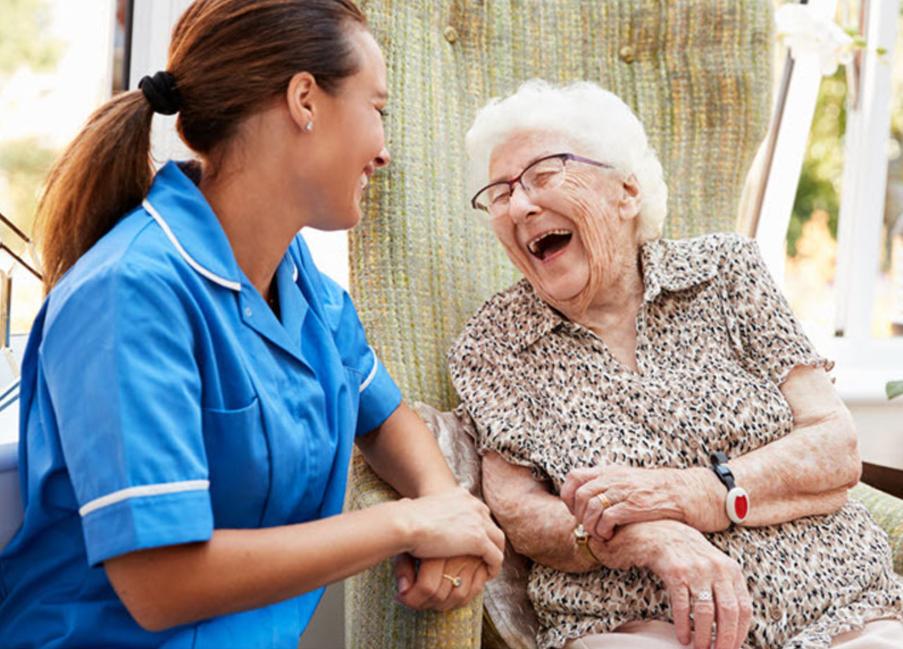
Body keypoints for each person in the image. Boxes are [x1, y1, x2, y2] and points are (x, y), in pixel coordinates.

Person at [0, 1, 505, 647]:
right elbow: (161, 584)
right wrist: (409, 524)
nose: (383, 150)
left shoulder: (294, 277)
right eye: (376, 109)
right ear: (304, 100)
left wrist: (447, 507)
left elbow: (379, 412)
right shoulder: (129, 292)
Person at [448, 79, 903, 649]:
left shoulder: (726, 271)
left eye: (543, 175)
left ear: (628, 191)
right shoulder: (493, 343)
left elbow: (834, 447)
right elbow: (521, 515)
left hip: (838, 605)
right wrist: (653, 539)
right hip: (640, 622)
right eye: (500, 193)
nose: (520, 204)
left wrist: (693, 495)